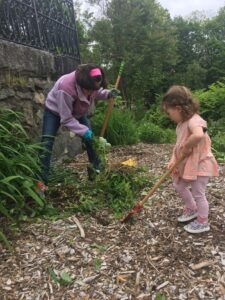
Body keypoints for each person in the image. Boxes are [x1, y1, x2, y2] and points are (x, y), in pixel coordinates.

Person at [36, 63, 119, 195]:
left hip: (78, 112)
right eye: (89, 90)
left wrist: (108, 94)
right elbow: (66, 119)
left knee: (91, 141)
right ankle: (40, 186)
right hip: (55, 112)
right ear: (81, 85)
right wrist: (83, 131)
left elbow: (97, 92)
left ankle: (96, 172)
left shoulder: (91, 80)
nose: (92, 93)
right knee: (46, 145)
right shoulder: (65, 87)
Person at [162, 85, 219, 234]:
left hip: (200, 164)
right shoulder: (181, 125)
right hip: (188, 165)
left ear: (178, 108)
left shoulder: (195, 120)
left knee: (198, 192)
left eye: (169, 112)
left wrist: (187, 146)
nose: (169, 116)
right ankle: (192, 208)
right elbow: (178, 147)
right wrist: (173, 160)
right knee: (179, 185)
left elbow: (198, 135)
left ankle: (202, 221)